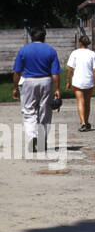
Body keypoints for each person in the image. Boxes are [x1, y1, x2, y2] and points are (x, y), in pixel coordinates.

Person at [11, 27, 62, 155]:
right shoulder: (51, 50)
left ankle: (32, 136)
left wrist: (15, 87)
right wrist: (57, 89)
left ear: (31, 37)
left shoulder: (23, 50)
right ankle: (41, 141)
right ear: (44, 37)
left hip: (28, 81)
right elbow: (55, 73)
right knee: (45, 111)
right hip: (46, 81)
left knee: (29, 111)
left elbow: (17, 71)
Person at [65, 34, 95, 132]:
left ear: (80, 43)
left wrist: (68, 81)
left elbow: (70, 69)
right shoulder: (92, 54)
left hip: (77, 81)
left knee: (80, 102)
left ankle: (83, 123)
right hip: (88, 81)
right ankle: (86, 120)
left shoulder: (74, 53)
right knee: (87, 103)